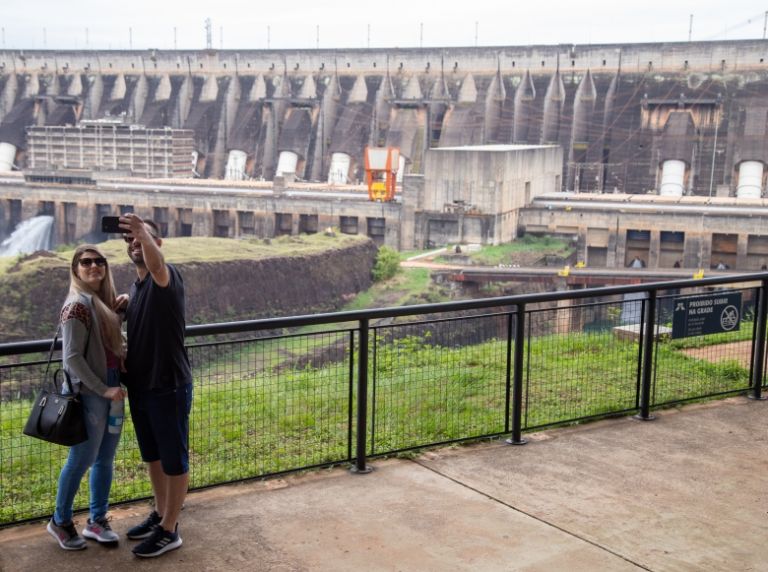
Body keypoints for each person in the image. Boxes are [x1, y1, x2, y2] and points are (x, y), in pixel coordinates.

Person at [119, 214, 193, 558]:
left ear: (157, 243)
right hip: (141, 385)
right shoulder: (135, 289)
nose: (135, 243)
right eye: (131, 240)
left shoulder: (167, 275)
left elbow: (157, 265)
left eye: (143, 239)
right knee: (153, 455)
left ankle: (170, 529)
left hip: (168, 384)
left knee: (174, 458)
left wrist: (141, 232)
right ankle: (160, 513)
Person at [47, 245, 126, 550]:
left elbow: (109, 346)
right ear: (76, 269)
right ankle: (60, 520)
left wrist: (122, 310)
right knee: (81, 458)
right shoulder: (76, 306)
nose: (94, 266)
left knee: (105, 458)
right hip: (91, 394)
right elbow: (72, 359)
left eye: (99, 261)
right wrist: (102, 388)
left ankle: (97, 520)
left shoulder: (101, 303)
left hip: (113, 389)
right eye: (86, 262)